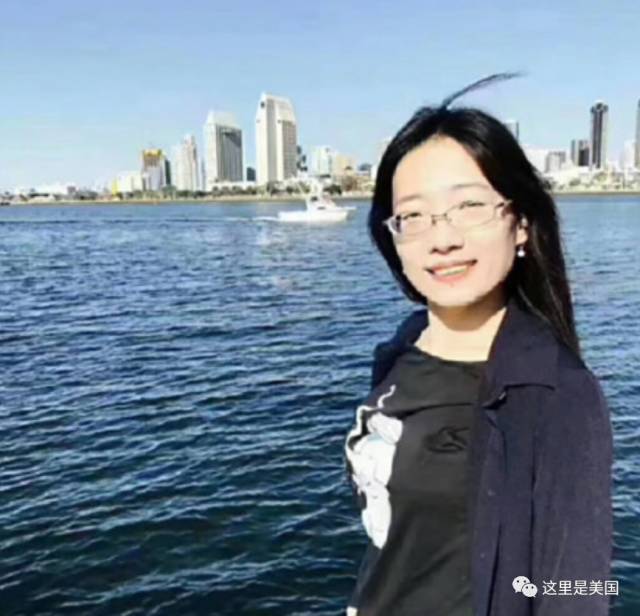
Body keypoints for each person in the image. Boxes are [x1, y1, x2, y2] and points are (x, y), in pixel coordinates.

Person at [344, 73, 614, 616]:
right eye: (414, 216)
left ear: (520, 223)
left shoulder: (555, 394)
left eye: (469, 206)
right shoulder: (403, 347)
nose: (442, 238)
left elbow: (579, 591)